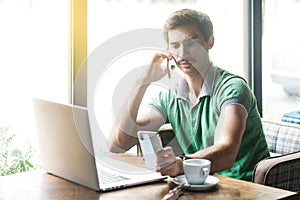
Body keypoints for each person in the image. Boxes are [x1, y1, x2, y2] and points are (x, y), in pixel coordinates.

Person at [108, 8, 270, 181]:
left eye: (192, 42)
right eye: (176, 46)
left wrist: (181, 164)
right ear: (168, 50)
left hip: (248, 188)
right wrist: (142, 81)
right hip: (200, 186)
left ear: (210, 41)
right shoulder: (170, 96)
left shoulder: (233, 88)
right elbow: (118, 144)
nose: (183, 54)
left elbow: (227, 151)